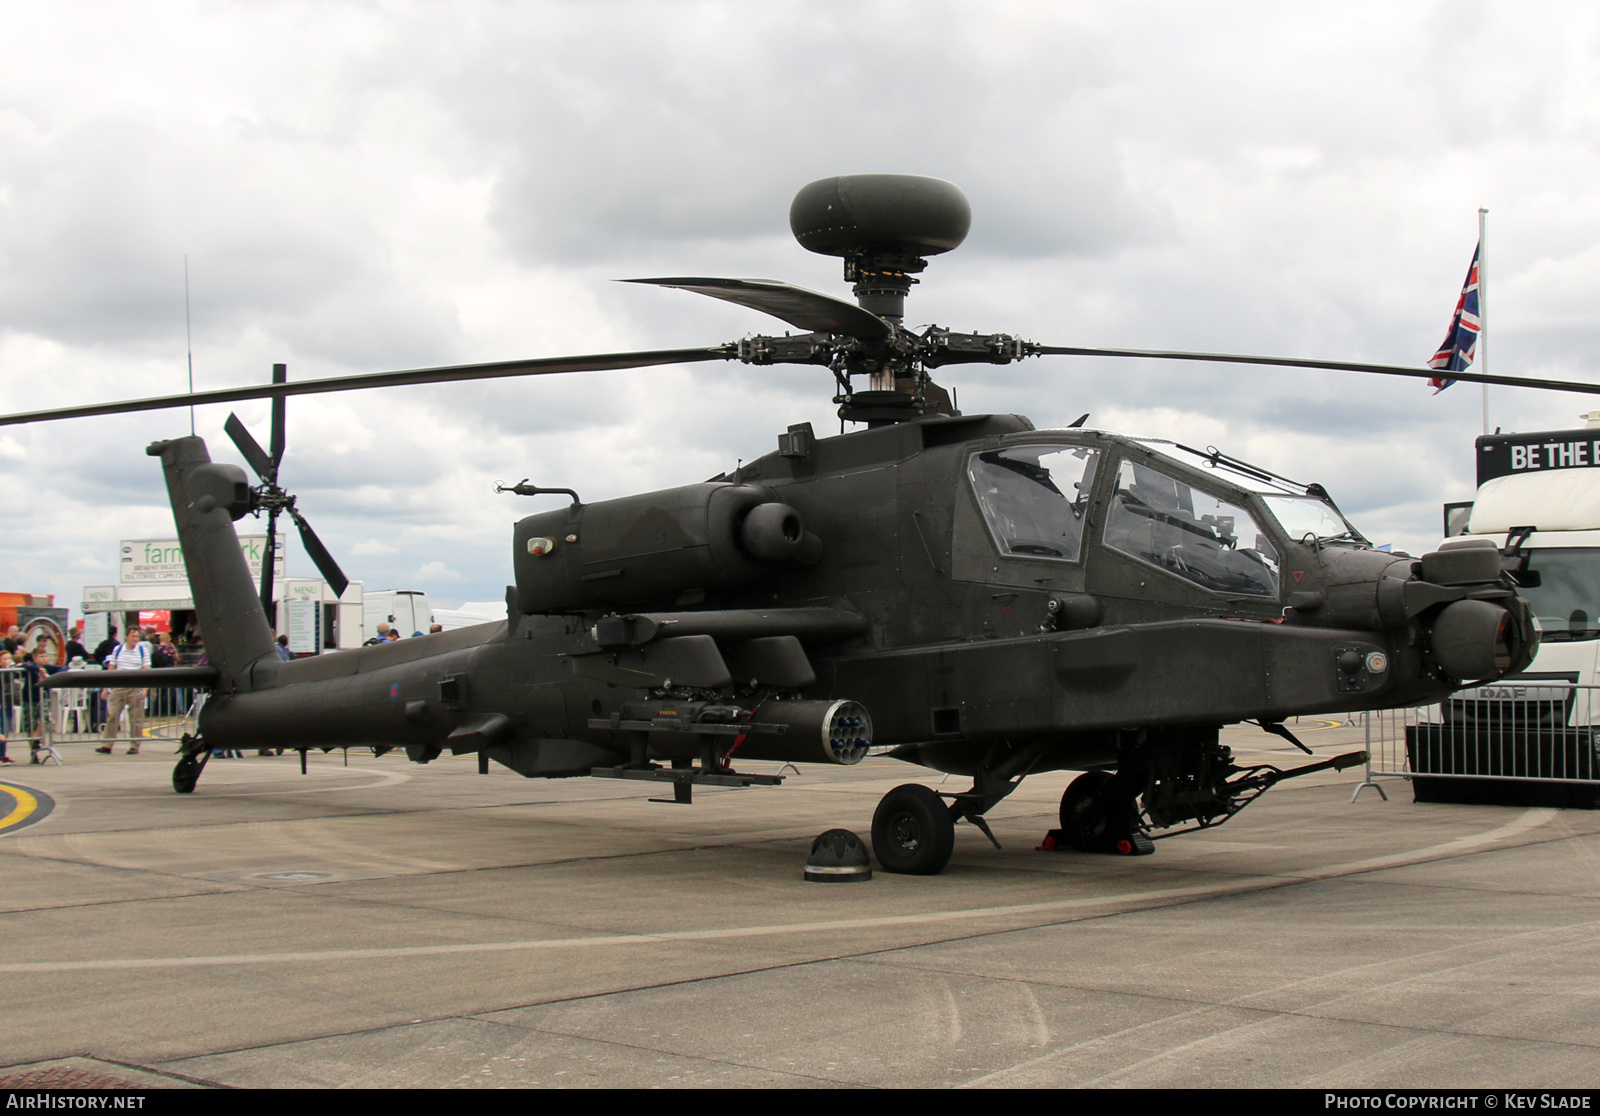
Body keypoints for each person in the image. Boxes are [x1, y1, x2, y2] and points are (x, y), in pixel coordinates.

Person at [96, 627, 150, 755]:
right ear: (126, 637)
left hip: (135, 685)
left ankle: (134, 745)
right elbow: (111, 668)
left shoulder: (142, 651)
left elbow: (147, 669)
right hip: (119, 684)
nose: (134, 639)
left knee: (135, 718)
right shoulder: (118, 649)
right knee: (113, 716)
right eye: (132, 636)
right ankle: (107, 744)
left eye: (137, 637)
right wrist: (105, 688)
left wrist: (145, 688)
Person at [20, 647, 63, 763]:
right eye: (41, 656)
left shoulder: (47, 667)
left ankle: (36, 742)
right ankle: (33, 752)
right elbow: (24, 665)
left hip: (42, 698)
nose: (44, 659)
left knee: (43, 719)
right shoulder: (30, 666)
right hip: (29, 698)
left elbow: (63, 668)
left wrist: (51, 675)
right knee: (30, 725)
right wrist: (38, 669)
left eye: (45, 656)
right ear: (34, 658)